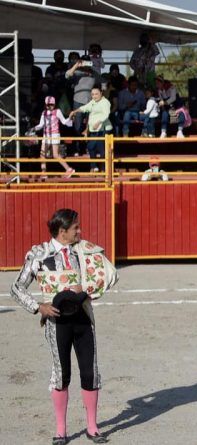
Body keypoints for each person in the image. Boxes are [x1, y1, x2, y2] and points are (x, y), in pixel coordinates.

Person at [10, 208, 118, 444]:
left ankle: (92, 427)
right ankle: (61, 430)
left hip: (83, 319)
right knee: (62, 374)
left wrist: (90, 289)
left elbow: (103, 277)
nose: (80, 231)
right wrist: (39, 307)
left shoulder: (85, 252)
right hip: (56, 322)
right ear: (62, 231)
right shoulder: (39, 255)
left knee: (90, 372)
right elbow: (16, 288)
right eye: (75, 228)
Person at [70, 87, 112, 172]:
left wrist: (99, 122)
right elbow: (85, 108)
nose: (94, 96)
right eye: (92, 94)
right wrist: (75, 111)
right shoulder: (92, 102)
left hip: (103, 129)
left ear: (101, 93)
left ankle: (104, 169)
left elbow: (106, 114)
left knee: (102, 150)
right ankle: (94, 166)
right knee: (90, 147)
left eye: (96, 94)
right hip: (93, 130)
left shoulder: (105, 102)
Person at [33, 96, 75, 179]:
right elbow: (41, 125)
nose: (50, 106)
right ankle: (44, 172)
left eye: (51, 104)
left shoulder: (58, 111)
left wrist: (70, 118)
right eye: (48, 104)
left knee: (56, 155)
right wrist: (34, 128)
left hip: (55, 135)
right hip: (46, 135)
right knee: (42, 154)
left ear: (54, 104)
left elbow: (64, 122)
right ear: (45, 105)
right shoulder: (43, 113)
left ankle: (69, 169)